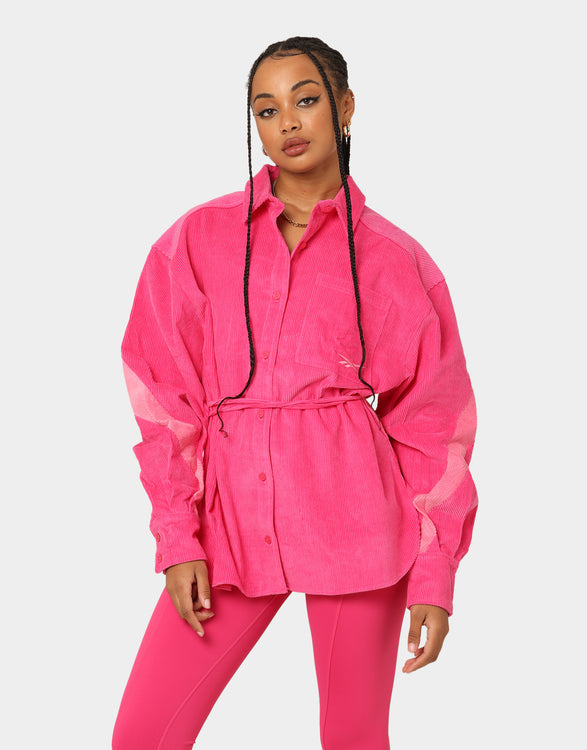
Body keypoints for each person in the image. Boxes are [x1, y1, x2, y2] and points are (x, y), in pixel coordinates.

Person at [112, 36, 478, 750]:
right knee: (144, 735)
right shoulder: (195, 241)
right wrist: (178, 538)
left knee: (353, 738)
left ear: (345, 107)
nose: (287, 122)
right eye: (266, 108)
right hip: (229, 529)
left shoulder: (396, 260)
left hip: (361, 530)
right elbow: (163, 398)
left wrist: (434, 577)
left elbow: (435, 428)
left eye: (305, 100)